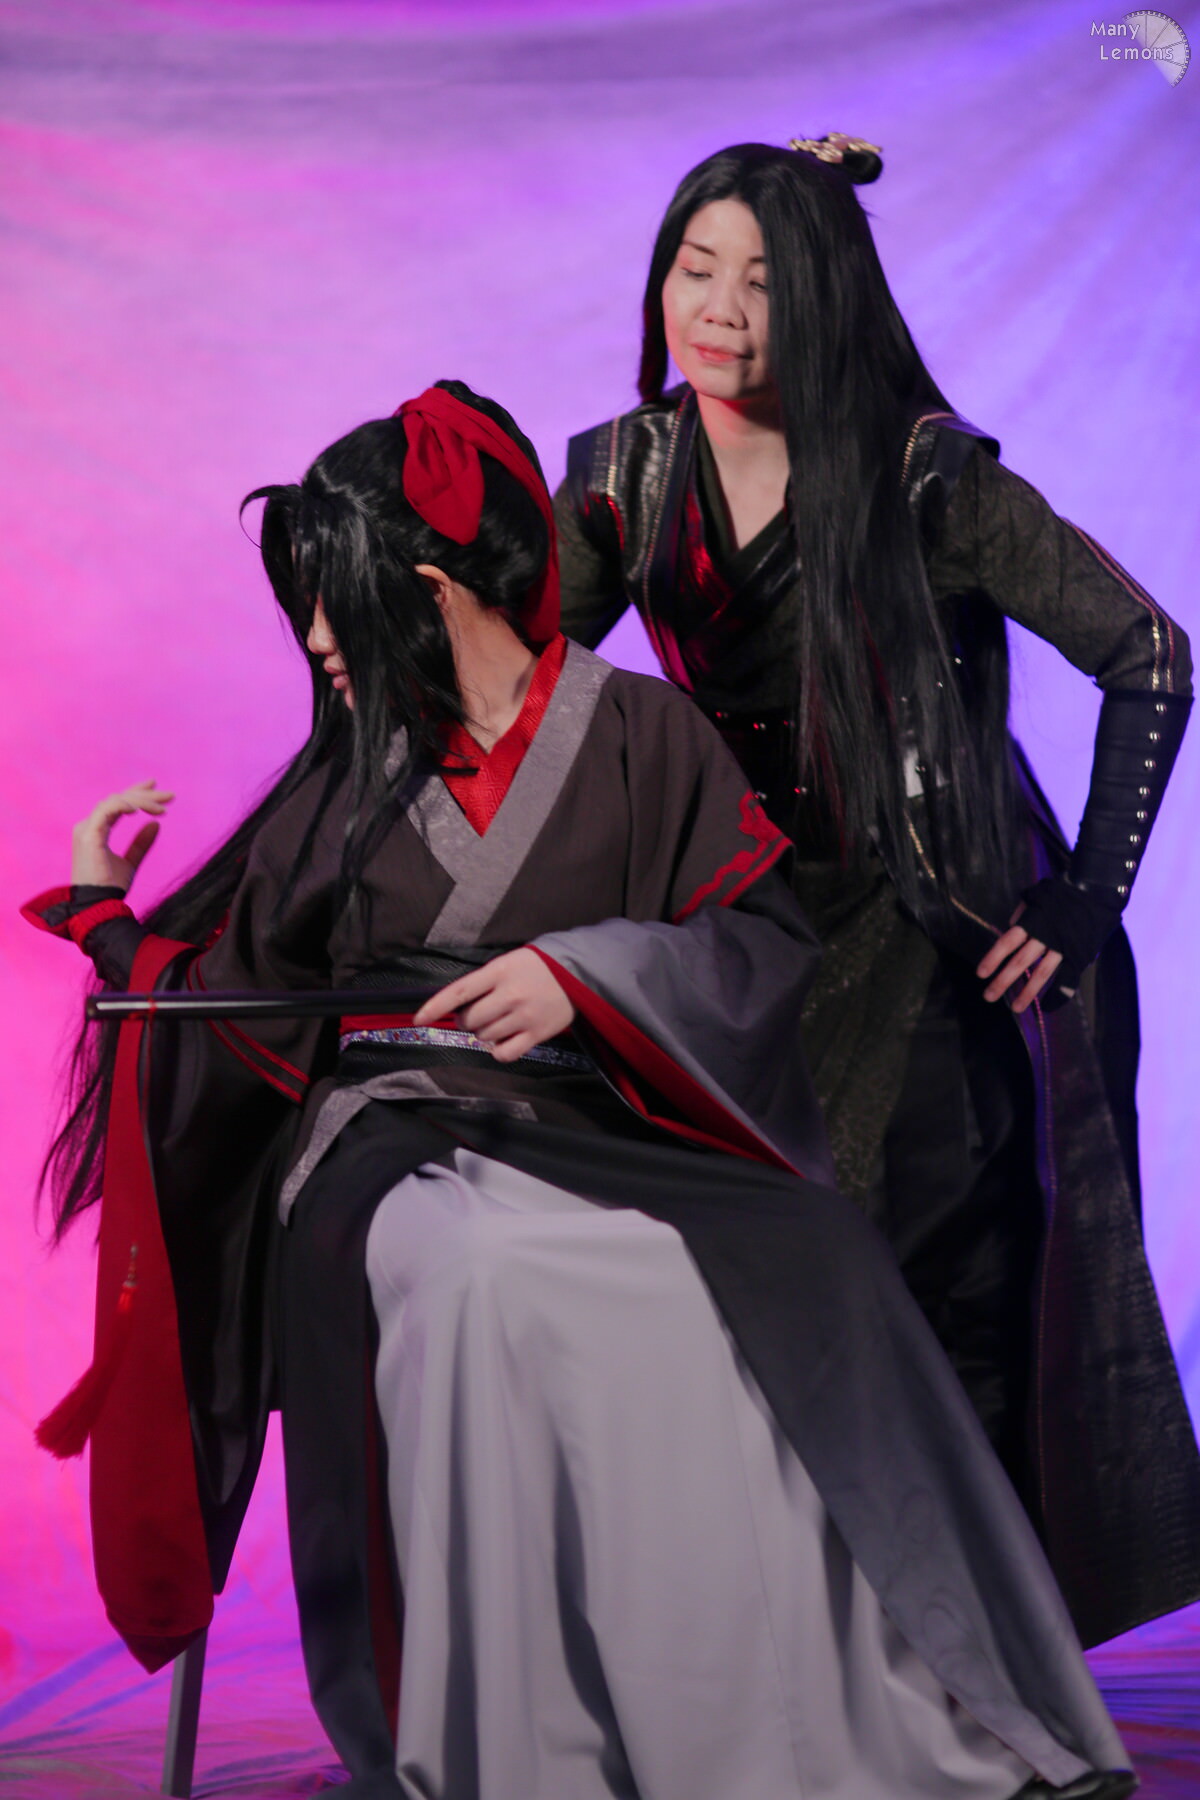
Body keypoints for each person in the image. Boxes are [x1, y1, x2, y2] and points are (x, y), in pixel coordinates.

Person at [27, 382, 1134, 1800]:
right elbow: (232, 995)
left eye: (335, 606)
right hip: (392, 1137)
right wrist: (108, 922)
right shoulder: (349, 774)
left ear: (430, 590)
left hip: (607, 1118)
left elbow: (758, 945)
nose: (316, 643)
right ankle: (526, 1740)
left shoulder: (646, 734)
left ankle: (794, 1720)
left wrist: (590, 976)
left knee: (811, 1258)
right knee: (487, 1272)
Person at [554, 135, 1200, 1652]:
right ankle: (817, 1666)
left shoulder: (924, 478)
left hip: (931, 929)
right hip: (746, 928)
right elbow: (528, 695)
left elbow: (1152, 656)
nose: (720, 310)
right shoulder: (623, 477)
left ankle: (980, 1670)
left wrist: (1085, 899)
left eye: (763, 282)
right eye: (695, 268)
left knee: (940, 1301)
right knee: (751, 1289)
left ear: (828, 299)